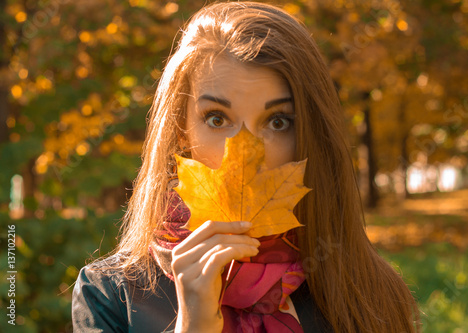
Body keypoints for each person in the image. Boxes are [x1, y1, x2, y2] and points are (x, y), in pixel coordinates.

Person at [71, 1, 420, 332]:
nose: (246, 150)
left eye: (278, 122)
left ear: (311, 137)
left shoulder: (367, 294)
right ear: (180, 130)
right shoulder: (110, 297)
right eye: (217, 118)